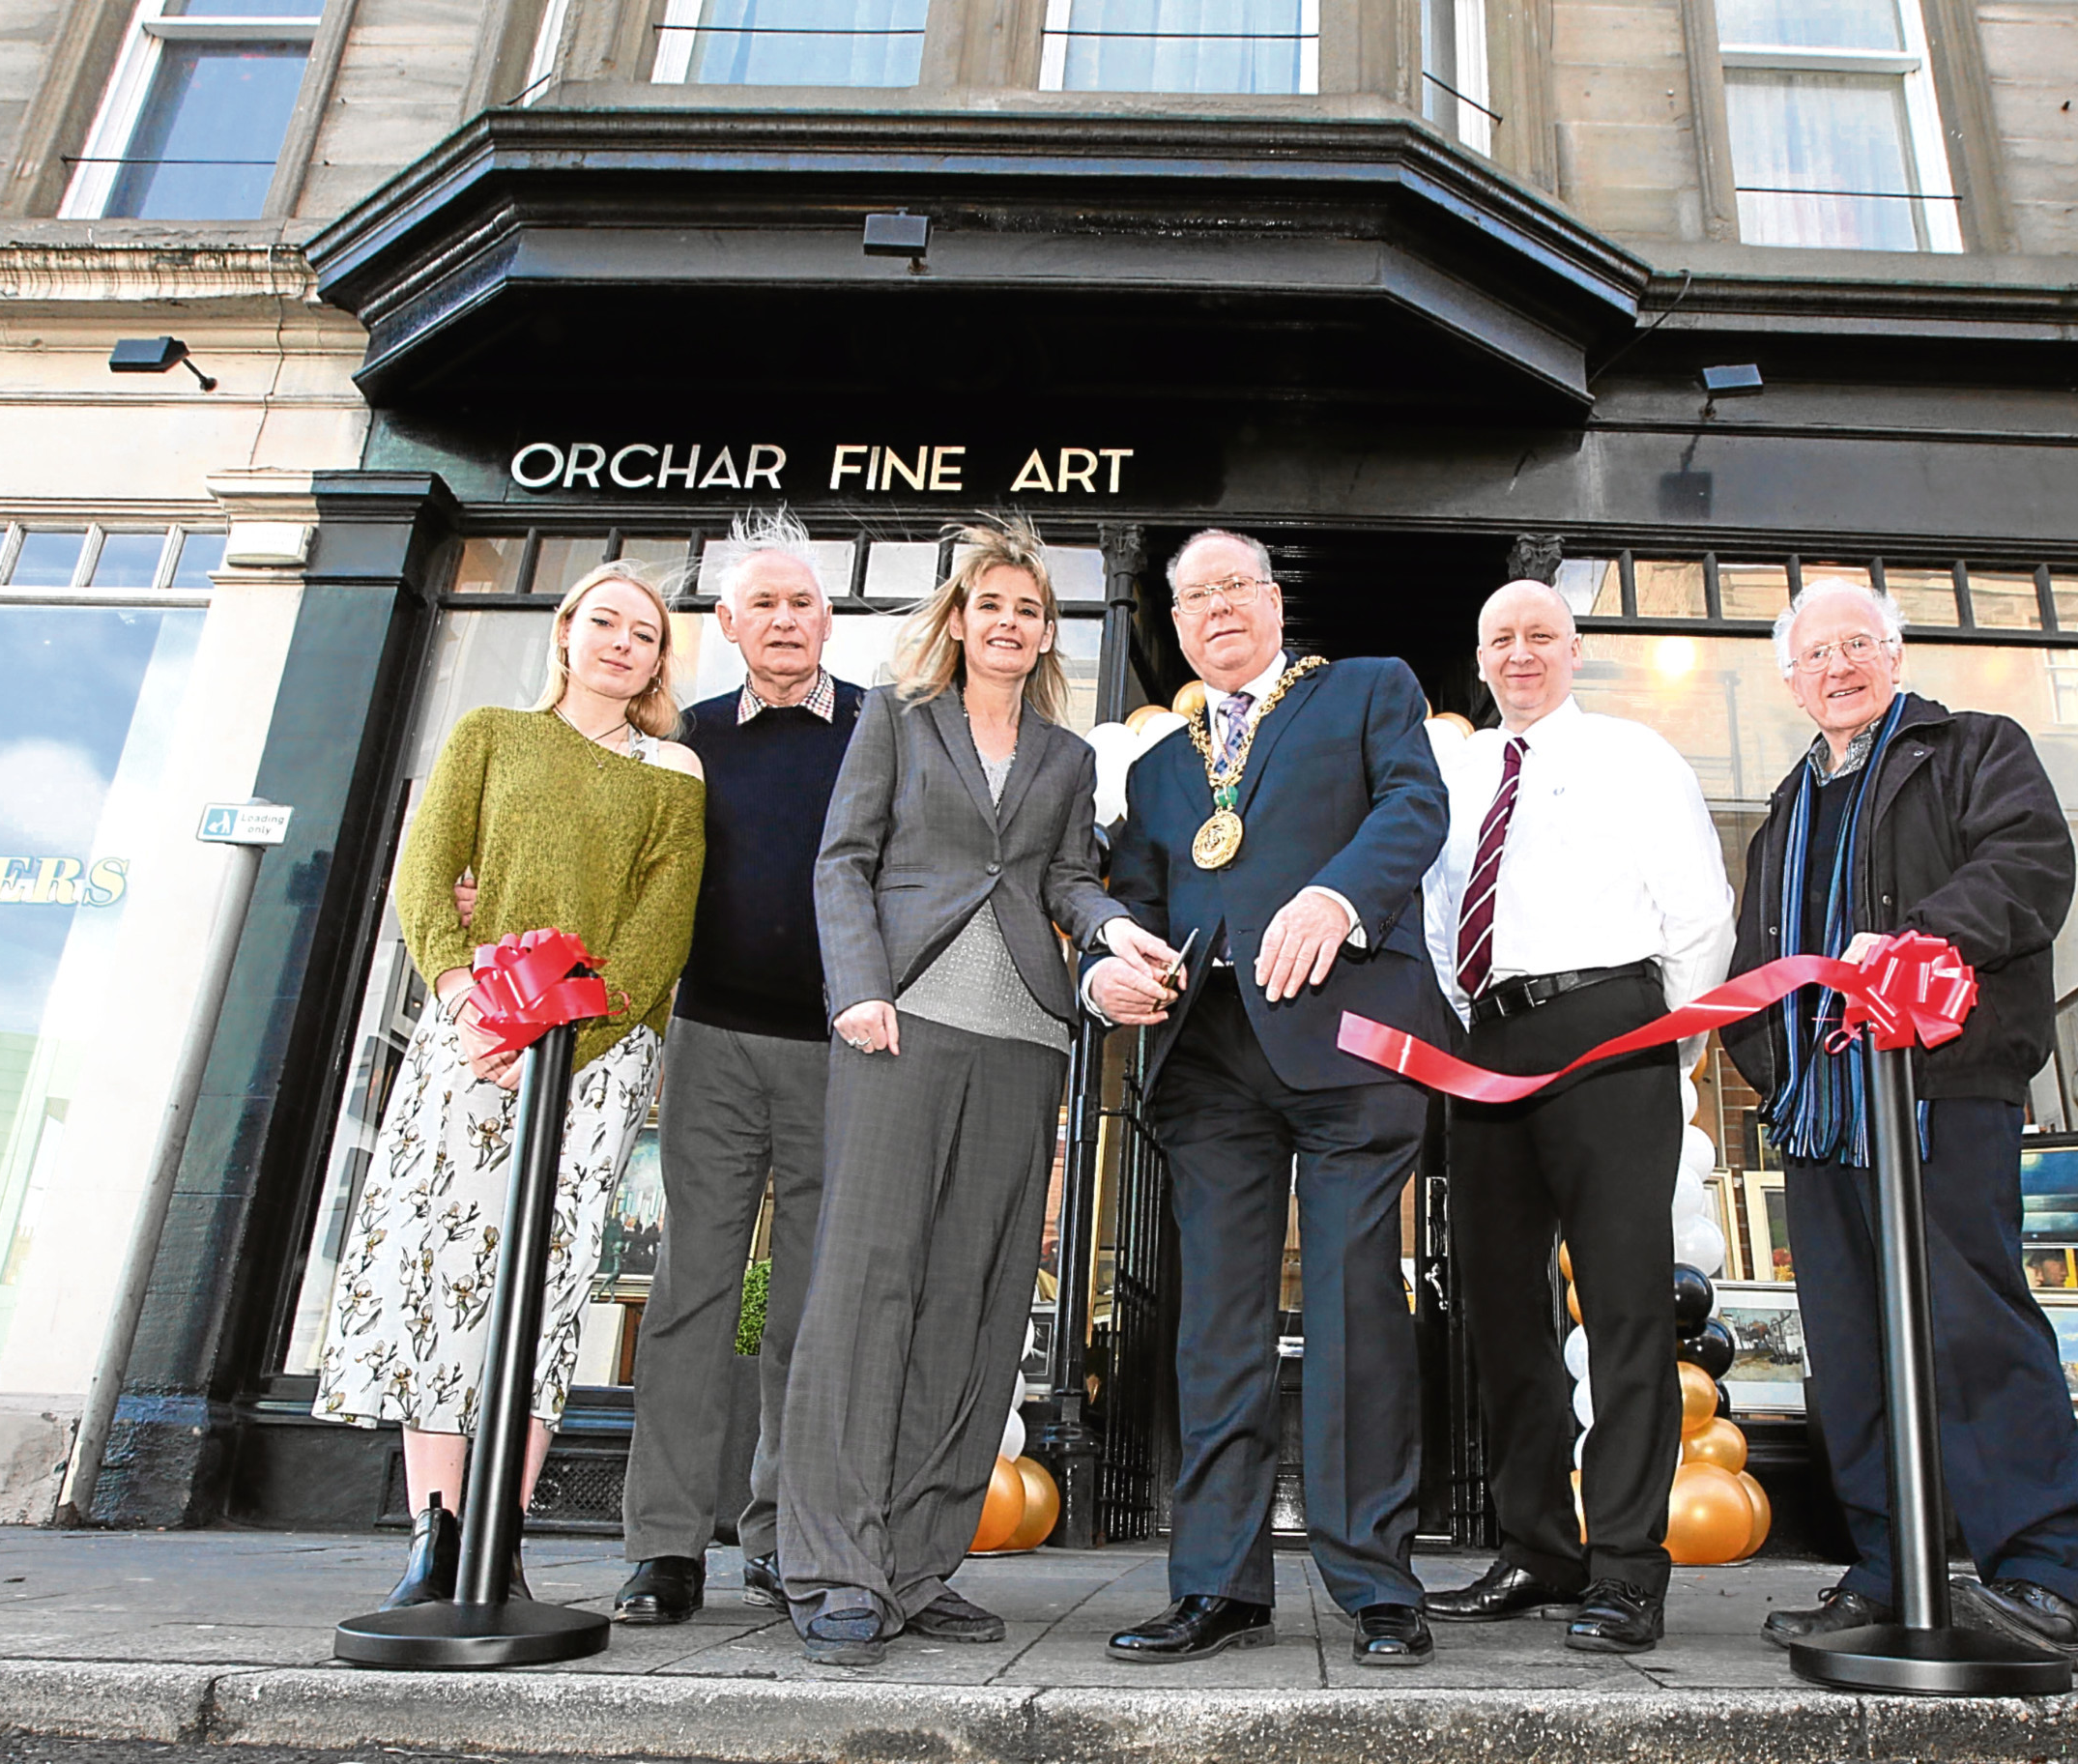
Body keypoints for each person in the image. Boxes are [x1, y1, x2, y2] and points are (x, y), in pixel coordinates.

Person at [778, 519, 1173, 1666]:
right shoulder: (895, 722)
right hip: (897, 1025)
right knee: (867, 1294)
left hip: (1024, 1040)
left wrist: (1111, 929)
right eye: (990, 605)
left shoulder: (1065, 757)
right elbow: (841, 860)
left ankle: (915, 1561)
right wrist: (857, 987)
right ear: (957, 620)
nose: (1010, 625)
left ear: (1048, 633)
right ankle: (835, 1565)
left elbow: (1062, 878)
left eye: (1030, 611)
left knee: (979, 1300)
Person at [1083, 529, 1451, 1668]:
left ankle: (1376, 1582)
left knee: (1355, 1313)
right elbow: (1132, 896)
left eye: (1235, 587)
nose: (1216, 610)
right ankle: (1217, 1585)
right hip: (1208, 1064)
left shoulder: (1370, 690)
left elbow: (1414, 807)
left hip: (1348, 1038)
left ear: (1275, 600)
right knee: (1216, 1330)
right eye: (1193, 598)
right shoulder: (1154, 770)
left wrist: (1338, 897)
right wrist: (1113, 971)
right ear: (1180, 626)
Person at [1724, 578, 2078, 1673]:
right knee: (1850, 1348)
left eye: (1858, 645)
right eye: (1816, 654)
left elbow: (2029, 869)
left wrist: (1910, 952)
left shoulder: (1975, 747)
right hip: (1825, 1114)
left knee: (1970, 1323)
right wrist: (1780, 1065)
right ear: (1791, 682)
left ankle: (2042, 1575)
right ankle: (1895, 1568)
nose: (1838, 667)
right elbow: (1760, 961)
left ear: (1896, 652)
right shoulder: (1790, 806)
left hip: (1943, 1087)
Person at [314, 560, 706, 1607]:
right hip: (472, 1038)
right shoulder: (491, 733)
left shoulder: (675, 772)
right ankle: (433, 1536)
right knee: (446, 1276)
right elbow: (424, 869)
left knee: (547, 1285)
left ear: (661, 661)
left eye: (647, 633)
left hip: (595, 1056)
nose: (625, 643)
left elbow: (659, 929)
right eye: (607, 622)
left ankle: (504, 1533)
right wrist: (459, 997)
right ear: (567, 633)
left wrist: (564, 1038)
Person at [1418, 579, 1732, 1654]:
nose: (1520, 654)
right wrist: (1468, 1029)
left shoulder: (1637, 756)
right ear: (1480, 655)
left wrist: (1664, 1045)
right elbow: (1431, 913)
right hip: (1487, 1045)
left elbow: (1699, 915)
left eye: (1541, 635)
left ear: (1576, 648)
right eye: (1499, 636)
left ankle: (1628, 1569)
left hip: (1613, 1032)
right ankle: (1539, 1548)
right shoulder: (1458, 773)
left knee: (1625, 1308)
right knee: (1500, 1311)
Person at [611, 513, 862, 1625]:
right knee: (692, 1295)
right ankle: (666, 1545)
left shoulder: (880, 730)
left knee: (810, 1309)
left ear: (826, 616)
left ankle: (782, 1533)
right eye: (761, 603)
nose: (784, 619)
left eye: (801, 601)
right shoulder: (687, 740)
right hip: (710, 1042)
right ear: (727, 624)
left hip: (838, 1053)